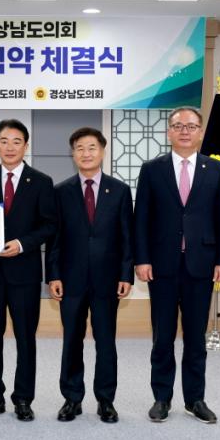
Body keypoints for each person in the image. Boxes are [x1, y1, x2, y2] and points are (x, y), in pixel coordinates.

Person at [134, 107, 220, 424]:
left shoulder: (216, 170)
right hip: (161, 266)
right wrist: (141, 258)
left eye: (191, 126)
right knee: (162, 337)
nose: (185, 131)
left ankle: (195, 399)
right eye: (178, 126)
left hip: (201, 266)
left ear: (200, 132)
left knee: (195, 338)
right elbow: (141, 218)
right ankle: (161, 398)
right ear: (169, 132)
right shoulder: (152, 170)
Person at [46, 127, 134, 423]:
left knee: (105, 341)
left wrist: (126, 274)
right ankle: (72, 398)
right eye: (80, 148)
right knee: (72, 340)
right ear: (73, 154)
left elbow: (127, 236)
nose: (86, 153)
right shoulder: (61, 191)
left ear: (102, 151)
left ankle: (105, 400)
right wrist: (53, 275)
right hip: (71, 279)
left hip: (107, 280)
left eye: (92, 147)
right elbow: (54, 239)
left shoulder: (119, 190)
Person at [0, 119, 57, 422]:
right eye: (4, 141)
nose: (10, 147)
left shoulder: (42, 181)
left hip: (24, 272)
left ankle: (23, 398)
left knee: (25, 338)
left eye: (16, 141)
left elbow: (49, 225)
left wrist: (22, 244)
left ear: (26, 145)